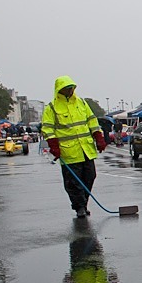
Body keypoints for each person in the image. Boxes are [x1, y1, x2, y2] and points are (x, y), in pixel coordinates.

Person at [41, 75, 107, 218]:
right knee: (73, 183)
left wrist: (99, 137)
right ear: (60, 90)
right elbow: (47, 128)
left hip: (86, 150)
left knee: (90, 176)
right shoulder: (51, 108)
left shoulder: (81, 103)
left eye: (71, 88)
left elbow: (92, 121)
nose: (70, 91)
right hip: (69, 151)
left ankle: (83, 203)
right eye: (66, 89)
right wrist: (54, 146)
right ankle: (79, 207)